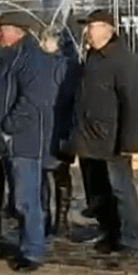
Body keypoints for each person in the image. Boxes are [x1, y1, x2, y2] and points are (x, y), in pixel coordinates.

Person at [71, 9, 138, 256]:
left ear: (106, 29)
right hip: (89, 138)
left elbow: (133, 103)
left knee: (121, 190)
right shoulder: (93, 56)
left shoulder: (124, 60)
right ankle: (109, 231)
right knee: (99, 190)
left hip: (113, 140)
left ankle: (132, 237)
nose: (85, 32)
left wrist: (129, 142)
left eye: (90, 27)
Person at [0, 11, 50, 271]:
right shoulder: (6, 58)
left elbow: (31, 100)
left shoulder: (30, 59)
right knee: (18, 198)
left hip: (23, 140)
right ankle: (25, 243)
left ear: (17, 31)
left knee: (26, 198)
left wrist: (9, 126)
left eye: (2, 29)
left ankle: (33, 251)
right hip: (7, 140)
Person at [39, 28, 80, 238]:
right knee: (49, 175)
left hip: (58, 125)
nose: (43, 45)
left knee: (57, 174)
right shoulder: (64, 64)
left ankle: (59, 219)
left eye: (46, 41)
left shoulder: (66, 65)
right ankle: (50, 218)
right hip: (52, 125)